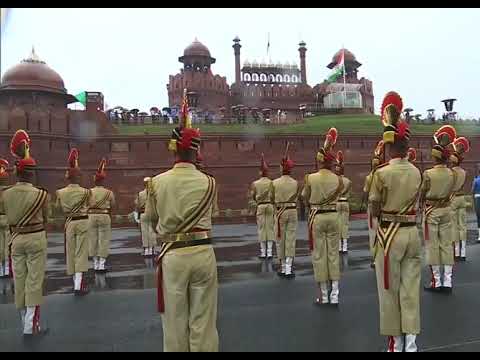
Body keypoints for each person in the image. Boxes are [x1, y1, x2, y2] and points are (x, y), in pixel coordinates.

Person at [144, 88, 218, 352]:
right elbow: (214, 214)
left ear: (173, 150)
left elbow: (151, 219)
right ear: (196, 153)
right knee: (204, 319)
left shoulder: (156, 183)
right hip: (203, 252)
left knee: (175, 321)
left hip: (173, 255)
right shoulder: (210, 182)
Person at [369, 92, 422, 352]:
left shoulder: (382, 173)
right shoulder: (417, 172)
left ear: (390, 146)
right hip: (413, 234)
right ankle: (411, 344)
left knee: (388, 290)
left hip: (390, 235)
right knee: (410, 290)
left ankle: (395, 343)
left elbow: (373, 207)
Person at [2, 130, 49, 337]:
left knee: (19, 279)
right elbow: (47, 219)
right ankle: (31, 325)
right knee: (34, 280)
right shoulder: (41, 195)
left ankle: (23, 321)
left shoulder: (6, 194)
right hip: (36, 237)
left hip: (15, 239)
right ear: (31, 173)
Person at [302, 128, 344, 306]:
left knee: (319, 255)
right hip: (334, 216)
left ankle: (324, 295)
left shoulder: (310, 178)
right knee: (334, 254)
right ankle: (335, 294)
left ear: (319, 161)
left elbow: (304, 197)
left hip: (317, 217)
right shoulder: (339, 180)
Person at [421, 125, 457, 293]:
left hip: (431, 211)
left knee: (432, 245)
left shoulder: (428, 173)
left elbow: (422, 193)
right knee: (447, 245)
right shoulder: (452, 174)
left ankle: (436, 281)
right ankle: (448, 281)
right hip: (447, 210)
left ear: (435, 157)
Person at [56, 148, 91, 296]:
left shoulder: (60, 192)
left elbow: (57, 209)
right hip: (82, 221)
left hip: (69, 223)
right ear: (77, 177)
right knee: (81, 253)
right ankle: (78, 284)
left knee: (70, 252)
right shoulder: (86, 192)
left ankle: (75, 282)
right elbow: (89, 205)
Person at [272, 142, 299, 278]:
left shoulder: (274, 183)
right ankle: (288, 267)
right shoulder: (295, 183)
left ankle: (283, 267)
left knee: (280, 239)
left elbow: (272, 197)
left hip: (280, 211)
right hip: (292, 211)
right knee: (290, 239)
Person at [88, 158, 116, 272]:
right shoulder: (109, 192)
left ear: (95, 181)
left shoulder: (88, 192)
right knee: (104, 240)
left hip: (91, 216)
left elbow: (85, 205)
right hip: (104, 215)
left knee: (92, 239)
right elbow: (113, 205)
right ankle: (102, 264)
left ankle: (95, 263)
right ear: (103, 181)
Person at [363, 140, 386, 269]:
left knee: (374, 235)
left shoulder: (369, 177)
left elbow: (366, 192)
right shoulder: (385, 174)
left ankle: (376, 259)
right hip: (384, 207)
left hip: (373, 207)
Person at [250, 154, 275, 259]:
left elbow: (253, 196)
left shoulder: (255, 183)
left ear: (260, 172)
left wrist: (258, 200)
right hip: (270, 205)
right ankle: (269, 252)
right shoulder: (272, 183)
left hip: (261, 206)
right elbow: (274, 195)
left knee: (261, 228)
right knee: (270, 228)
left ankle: (263, 252)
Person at [449, 137, 470, 261]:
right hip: (462, 197)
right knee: (463, 225)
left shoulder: (451, 172)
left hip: (453, 198)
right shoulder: (464, 172)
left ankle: (456, 252)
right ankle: (463, 252)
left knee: (454, 226)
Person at [335, 151, 352, 254]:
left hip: (337, 203)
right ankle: (345, 245)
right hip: (345, 202)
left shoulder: (334, 180)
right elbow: (349, 192)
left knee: (337, 224)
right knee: (345, 224)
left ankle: (339, 246)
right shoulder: (348, 181)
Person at [135, 178, 157, 257]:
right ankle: (152, 248)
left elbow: (137, 204)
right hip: (152, 213)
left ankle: (146, 249)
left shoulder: (140, 193)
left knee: (144, 231)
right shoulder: (154, 193)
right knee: (152, 231)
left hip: (143, 213)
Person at [0, 159, 11, 278]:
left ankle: (0, 269)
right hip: (7, 218)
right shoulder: (9, 191)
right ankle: (7, 269)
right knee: (7, 245)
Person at [472, 167, 480, 242]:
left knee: (479, 217)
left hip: (477, 198)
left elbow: (472, 190)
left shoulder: (476, 180)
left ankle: (479, 236)